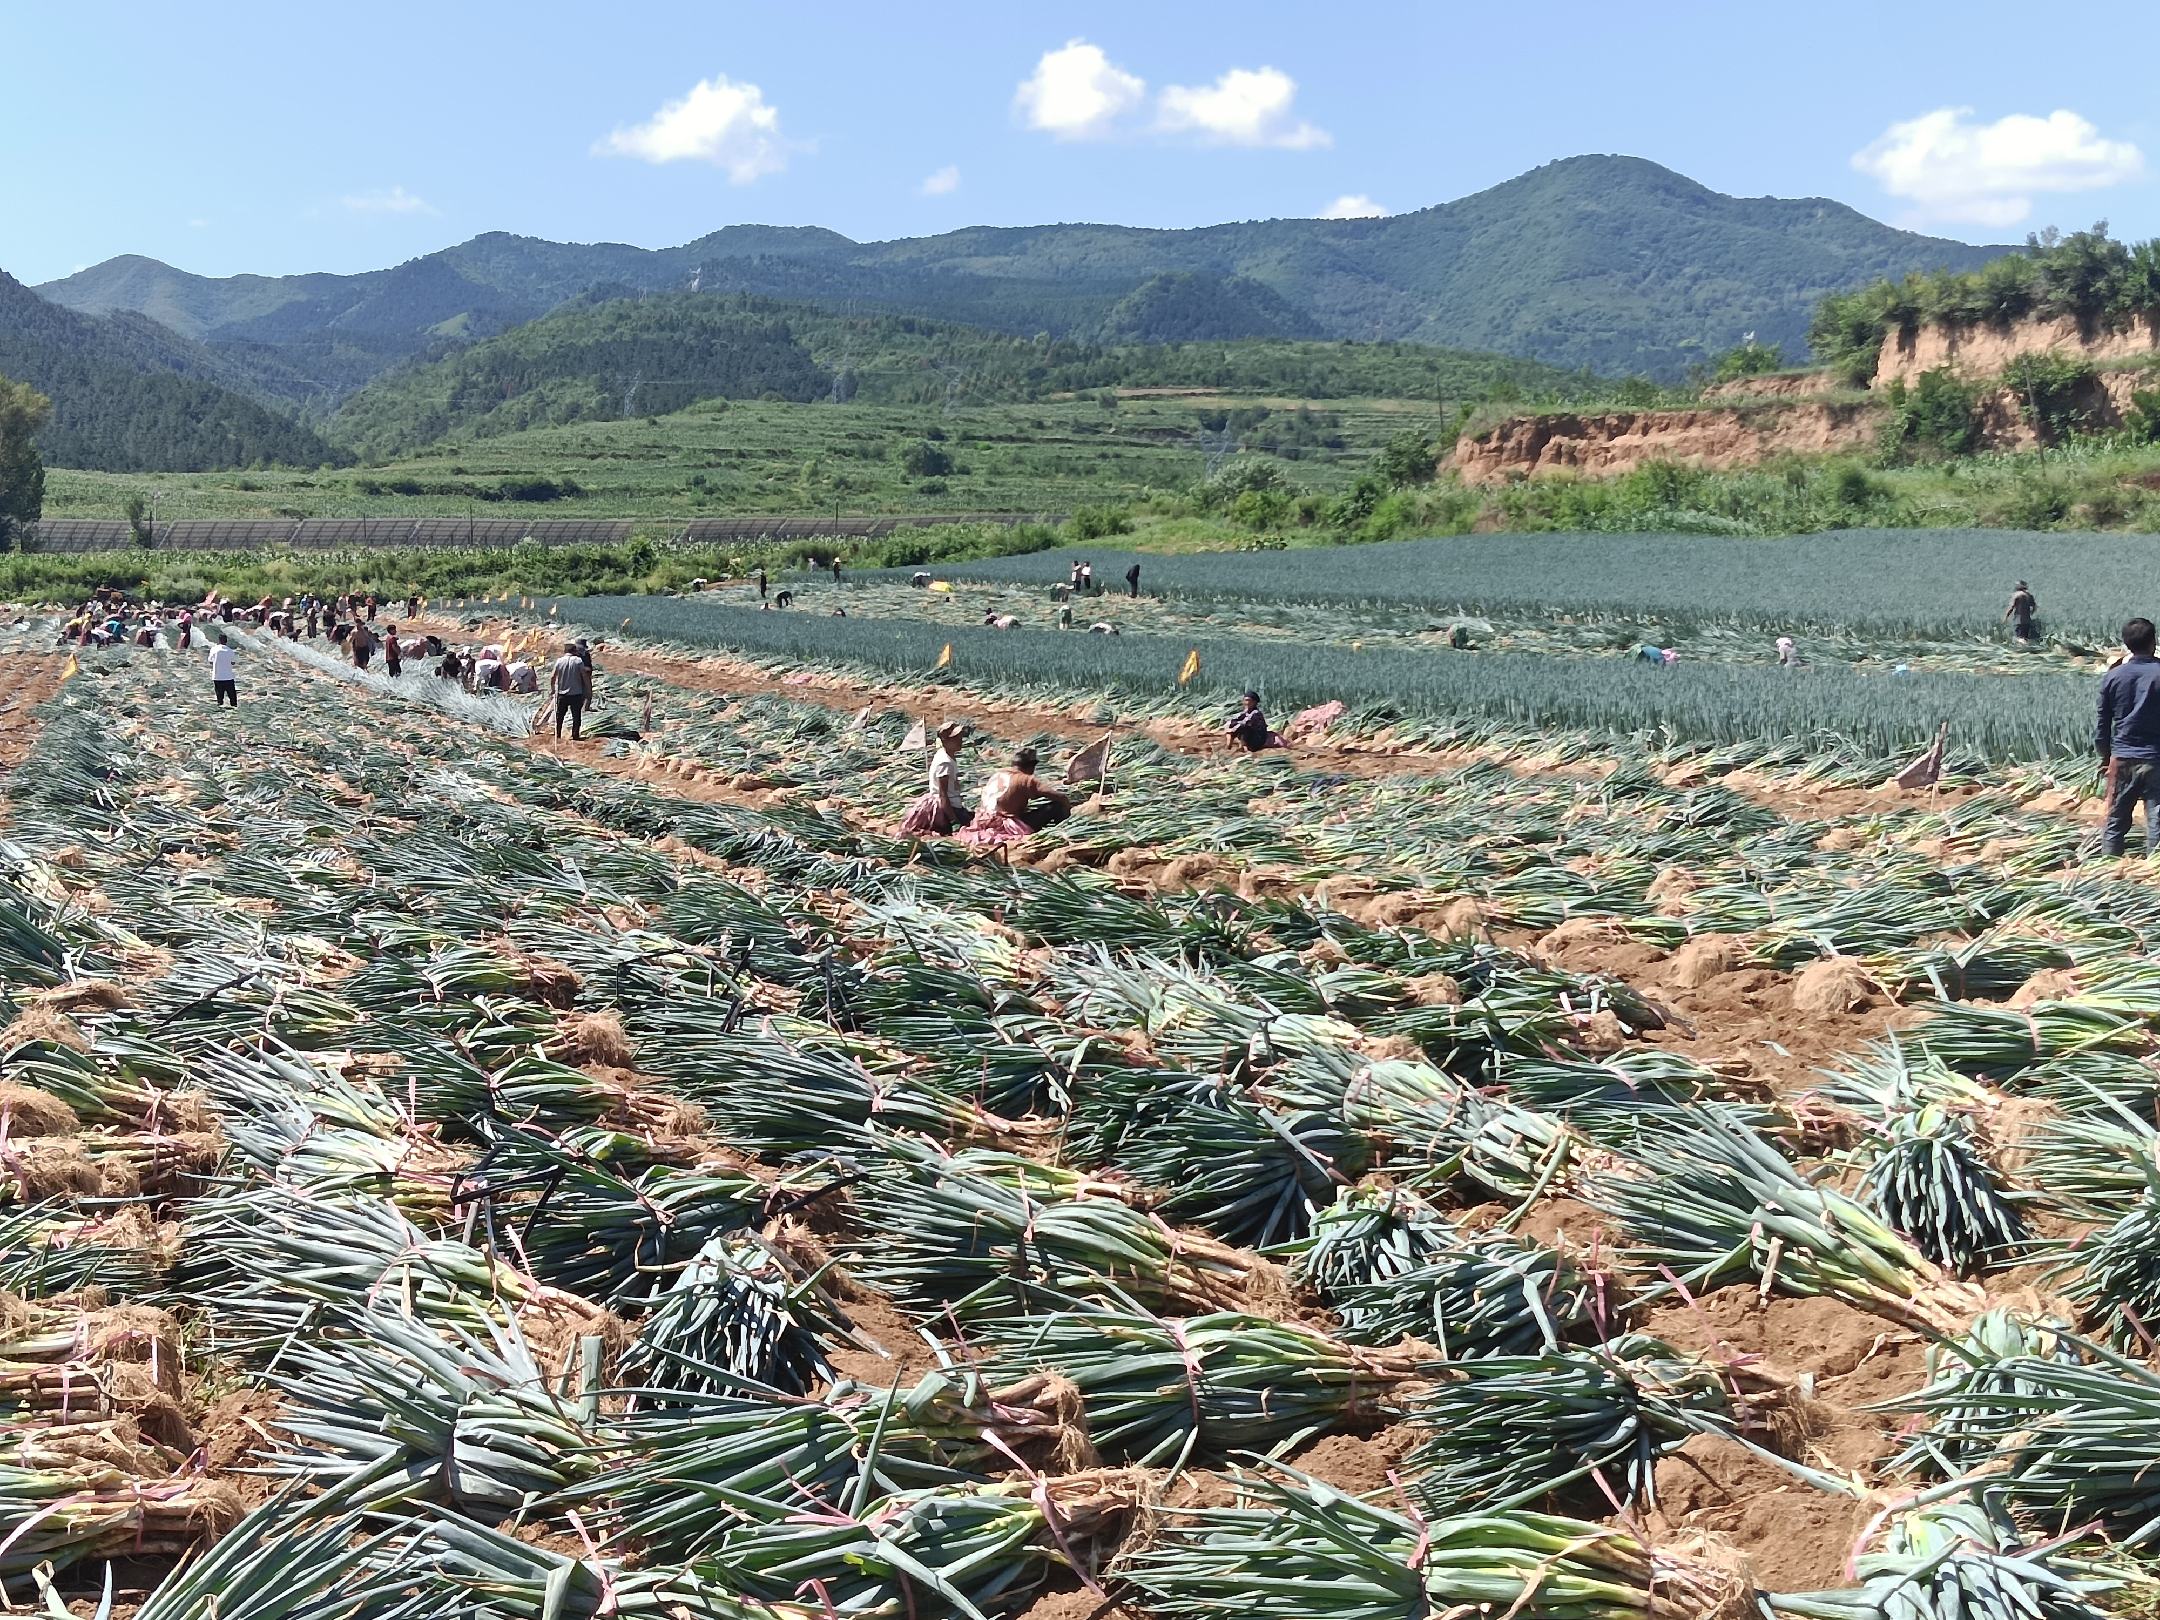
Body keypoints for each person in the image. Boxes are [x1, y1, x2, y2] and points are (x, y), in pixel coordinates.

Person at [2098, 616, 2160, 858]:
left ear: (2126, 644)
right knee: (2157, 818)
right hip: (2156, 758)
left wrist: (2105, 757)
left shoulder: (2113, 676)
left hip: (2123, 757)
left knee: (2116, 819)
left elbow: (2102, 724)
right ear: (2153, 641)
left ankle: (2109, 868)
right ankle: (2154, 871)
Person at [956, 747, 1070, 845]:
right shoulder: (1025, 779)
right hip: (1005, 825)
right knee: (1056, 806)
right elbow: (1060, 797)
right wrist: (1069, 810)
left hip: (982, 821)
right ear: (1031, 767)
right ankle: (1065, 835)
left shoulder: (997, 774)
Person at [900, 721, 970, 837]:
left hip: (952, 804)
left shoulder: (945, 754)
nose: (960, 740)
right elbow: (943, 795)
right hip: (948, 809)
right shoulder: (945, 763)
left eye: (960, 737)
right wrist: (954, 820)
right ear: (945, 740)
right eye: (955, 738)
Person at [549, 642, 592, 740]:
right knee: (576, 716)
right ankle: (575, 735)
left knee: (559, 716)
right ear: (574, 651)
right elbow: (584, 676)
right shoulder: (578, 661)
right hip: (576, 693)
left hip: (562, 693)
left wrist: (552, 689)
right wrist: (588, 689)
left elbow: (552, 677)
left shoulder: (559, 661)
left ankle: (557, 734)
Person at [208, 633, 237, 708]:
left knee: (220, 700)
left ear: (219, 640)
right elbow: (233, 662)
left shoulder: (214, 649)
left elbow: (210, 661)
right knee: (233, 700)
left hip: (217, 677)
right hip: (228, 677)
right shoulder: (230, 651)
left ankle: (220, 715)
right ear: (226, 641)